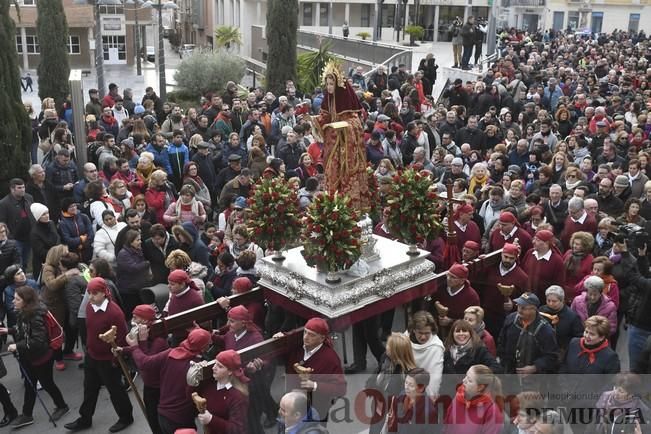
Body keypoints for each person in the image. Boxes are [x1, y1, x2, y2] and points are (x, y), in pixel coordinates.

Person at [64, 278, 134, 433]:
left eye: (94, 293)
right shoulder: (90, 307)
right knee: (89, 389)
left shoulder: (114, 312)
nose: (90, 297)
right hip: (92, 356)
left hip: (108, 359)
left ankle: (126, 417)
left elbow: (122, 338)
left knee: (115, 390)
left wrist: (116, 359)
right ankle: (85, 419)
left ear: (104, 293)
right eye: (89, 293)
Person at [0, 286, 69, 429]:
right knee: (29, 385)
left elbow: (38, 341)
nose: (13, 301)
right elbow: (24, 330)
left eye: (17, 299)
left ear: (26, 301)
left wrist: (17, 346)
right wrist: (10, 330)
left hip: (41, 357)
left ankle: (62, 406)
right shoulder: (24, 312)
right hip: (30, 356)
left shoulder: (35, 314)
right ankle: (27, 414)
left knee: (47, 383)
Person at [308, 60, 369, 211]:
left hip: (346, 148)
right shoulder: (327, 99)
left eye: (331, 84)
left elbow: (355, 124)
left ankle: (350, 207)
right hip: (332, 146)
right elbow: (325, 116)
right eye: (327, 84)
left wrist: (345, 128)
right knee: (332, 173)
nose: (328, 87)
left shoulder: (347, 103)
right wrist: (314, 121)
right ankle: (332, 205)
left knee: (346, 175)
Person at [130, 327, 212, 434]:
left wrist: (134, 347)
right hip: (181, 419)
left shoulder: (169, 353)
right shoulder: (197, 367)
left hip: (162, 414)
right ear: (203, 347)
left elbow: (144, 363)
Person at [281, 317, 346, 423]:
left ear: (322, 338)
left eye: (312, 335)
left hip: (317, 408)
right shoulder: (297, 348)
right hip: (293, 405)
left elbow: (340, 388)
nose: (306, 337)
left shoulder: (330, 359)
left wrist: (315, 385)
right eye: (305, 332)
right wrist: (280, 339)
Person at [119, 304, 168, 434]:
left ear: (145, 320)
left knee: (156, 420)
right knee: (152, 418)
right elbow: (139, 349)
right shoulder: (146, 333)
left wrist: (140, 342)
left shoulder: (159, 341)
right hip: (149, 385)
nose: (132, 321)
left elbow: (145, 363)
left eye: (135, 318)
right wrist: (123, 350)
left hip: (158, 388)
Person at [366, 333, 417, 434]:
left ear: (397, 352)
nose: (386, 347)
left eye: (389, 346)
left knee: (392, 426)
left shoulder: (407, 372)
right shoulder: (385, 357)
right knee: (376, 422)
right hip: (380, 398)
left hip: (394, 405)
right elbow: (379, 371)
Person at [497, 292, 559, 375]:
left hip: (533, 379)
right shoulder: (511, 319)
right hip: (509, 371)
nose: (519, 310)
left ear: (534, 309)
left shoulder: (545, 330)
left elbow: (552, 356)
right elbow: (501, 341)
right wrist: (502, 361)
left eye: (523, 308)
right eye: (518, 306)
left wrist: (535, 367)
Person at [442, 365, 504, 433]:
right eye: (466, 376)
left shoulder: (491, 411)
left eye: (469, 380)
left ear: (480, 387)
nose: (463, 380)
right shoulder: (458, 397)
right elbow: (446, 427)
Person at [386, 368, 438, 433]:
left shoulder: (429, 412)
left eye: (411, 385)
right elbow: (395, 423)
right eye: (406, 382)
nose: (406, 387)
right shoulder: (402, 395)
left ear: (421, 388)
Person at [538, 285, 583, 360]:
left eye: (554, 301)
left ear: (562, 300)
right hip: (543, 350)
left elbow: (578, 338)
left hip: (562, 353)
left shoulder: (572, 317)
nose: (551, 304)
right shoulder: (541, 310)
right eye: (548, 300)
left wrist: (567, 350)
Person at [406, 311, 444, 397]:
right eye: (420, 333)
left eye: (427, 333)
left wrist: (431, 397)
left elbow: (435, 376)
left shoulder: (436, 347)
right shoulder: (405, 339)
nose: (423, 337)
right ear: (414, 330)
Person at [116, 229, 151, 320]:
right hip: (128, 290)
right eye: (138, 240)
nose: (140, 242)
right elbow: (133, 268)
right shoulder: (123, 254)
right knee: (132, 314)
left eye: (140, 239)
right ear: (130, 242)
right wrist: (147, 263)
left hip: (137, 287)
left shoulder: (138, 250)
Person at [0, 178, 34, 269]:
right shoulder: (4, 203)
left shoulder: (29, 198)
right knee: (18, 263)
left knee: (26, 261)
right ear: (12, 189)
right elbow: (2, 221)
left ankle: (24, 278)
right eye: (19, 188)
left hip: (28, 237)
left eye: (23, 187)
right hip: (15, 238)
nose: (22, 189)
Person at [58, 198, 94, 263]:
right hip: (73, 255)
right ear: (65, 208)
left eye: (74, 205)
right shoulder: (62, 223)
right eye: (70, 207)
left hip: (87, 252)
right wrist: (80, 239)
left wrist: (83, 245)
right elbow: (67, 240)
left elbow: (91, 234)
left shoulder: (84, 217)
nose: (74, 208)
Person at [29, 203, 60, 279]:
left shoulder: (51, 223)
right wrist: (56, 254)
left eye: (47, 213)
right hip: (42, 264)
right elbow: (40, 252)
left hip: (56, 261)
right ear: (38, 217)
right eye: (43, 214)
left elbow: (57, 238)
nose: (47, 216)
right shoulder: (34, 233)